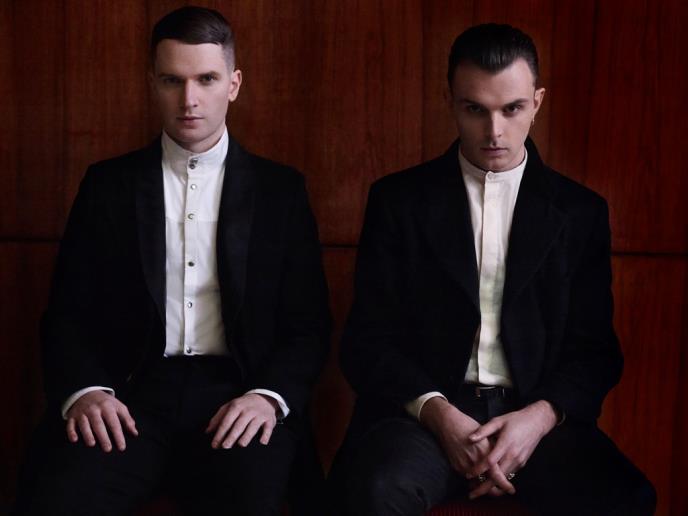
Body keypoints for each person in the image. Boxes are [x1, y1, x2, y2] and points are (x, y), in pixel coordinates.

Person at [14, 6, 330, 516]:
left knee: (255, 494)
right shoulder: (107, 185)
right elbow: (67, 312)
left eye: (206, 79)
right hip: (129, 396)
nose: (189, 100)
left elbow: (308, 324)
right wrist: (87, 392)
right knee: (60, 496)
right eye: (172, 81)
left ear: (234, 83)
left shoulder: (281, 191)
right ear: (152, 84)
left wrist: (268, 397)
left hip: (236, 394)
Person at [331, 23, 656, 516]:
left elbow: (595, 352)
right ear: (450, 102)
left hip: (536, 419)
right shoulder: (398, 201)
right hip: (424, 418)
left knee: (625, 498)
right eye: (475, 109)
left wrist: (537, 419)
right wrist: (438, 414)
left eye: (512, 109)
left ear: (537, 102)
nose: (494, 131)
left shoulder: (580, 212)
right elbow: (368, 340)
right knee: (376, 491)